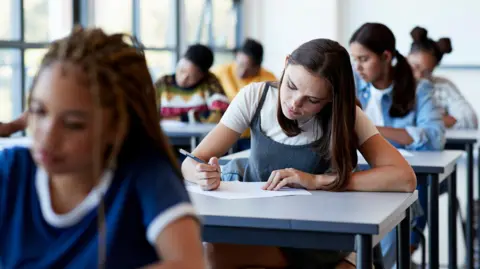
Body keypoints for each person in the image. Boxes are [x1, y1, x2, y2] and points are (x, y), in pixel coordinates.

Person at [182, 38, 416, 269]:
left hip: (326, 240)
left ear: (331, 98)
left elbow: (404, 178)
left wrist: (318, 181)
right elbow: (191, 162)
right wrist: (201, 174)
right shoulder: (255, 97)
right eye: (291, 86)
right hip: (264, 230)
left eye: (312, 100)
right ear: (285, 64)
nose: (294, 104)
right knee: (213, 251)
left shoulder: (347, 116)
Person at [0, 27, 205, 269]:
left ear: (116, 127)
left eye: (73, 124)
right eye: (39, 111)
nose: (47, 136)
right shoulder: (12, 169)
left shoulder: (144, 174)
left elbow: (188, 263)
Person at [349, 22, 446, 267]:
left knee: (402, 203)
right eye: (354, 59)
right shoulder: (351, 83)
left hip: (399, 178)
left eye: (364, 59)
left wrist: (367, 131)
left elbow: (435, 137)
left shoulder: (419, 88)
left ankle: (395, 258)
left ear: (386, 57)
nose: (357, 66)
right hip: (356, 173)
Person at [408, 26, 478, 129]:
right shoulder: (391, 83)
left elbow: (469, 119)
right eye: (415, 67)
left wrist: (424, 120)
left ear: (434, 68)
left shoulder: (443, 86)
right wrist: (440, 119)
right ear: (406, 59)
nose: (418, 75)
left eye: (427, 72)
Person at [155, 44, 229, 123]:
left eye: (191, 77)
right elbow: (148, 112)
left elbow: (222, 113)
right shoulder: (163, 83)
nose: (183, 79)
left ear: (202, 75)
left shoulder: (209, 83)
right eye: (181, 70)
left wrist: (184, 118)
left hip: (201, 135)